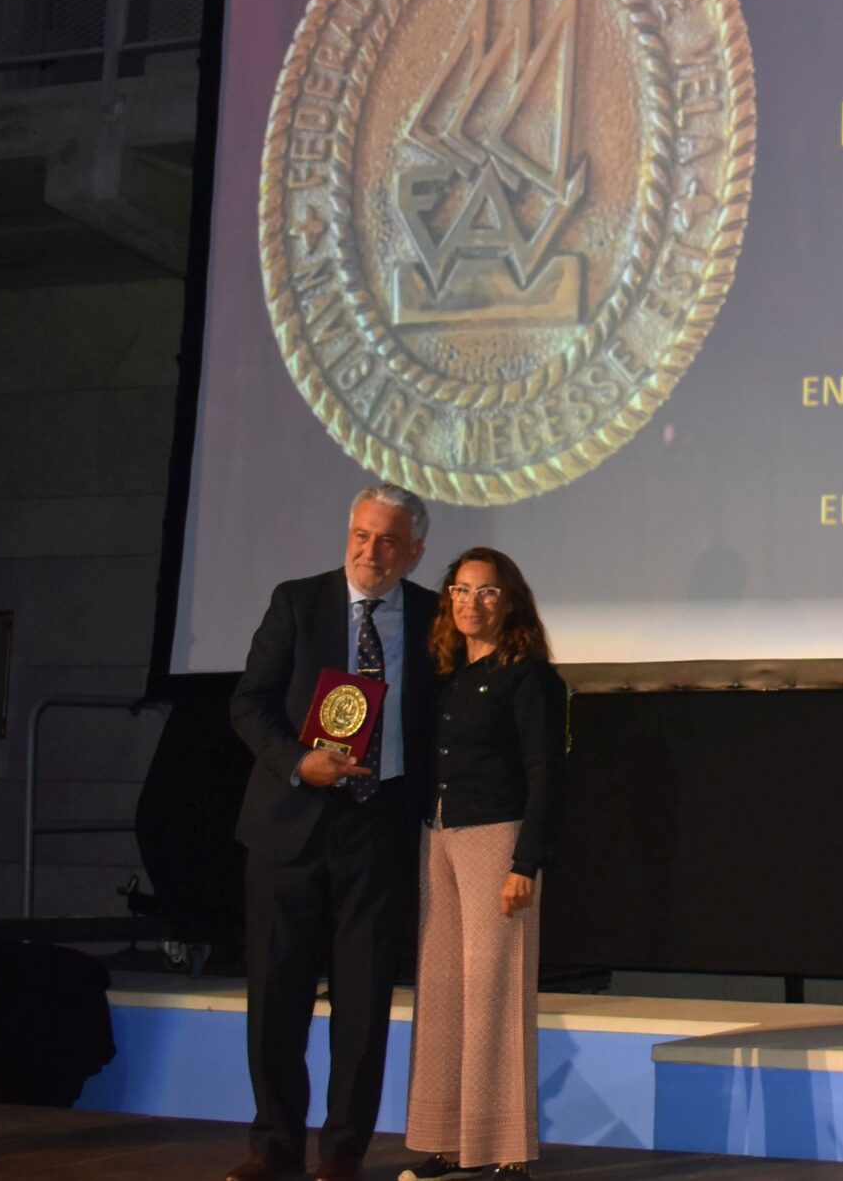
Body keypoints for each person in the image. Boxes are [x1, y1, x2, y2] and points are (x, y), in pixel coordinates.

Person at [228, 484, 441, 1181]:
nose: (369, 552)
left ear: (414, 551)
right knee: (276, 995)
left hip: (379, 824)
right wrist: (299, 761)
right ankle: (273, 1147)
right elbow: (249, 704)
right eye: (360, 536)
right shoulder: (298, 602)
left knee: (364, 1000)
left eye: (387, 541)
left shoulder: (432, 617)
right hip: (288, 823)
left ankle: (343, 1152)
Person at [398, 547, 568, 1181]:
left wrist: (527, 861)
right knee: (442, 991)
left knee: (496, 991)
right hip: (438, 835)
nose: (473, 602)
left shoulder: (529, 677)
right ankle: (446, 1142)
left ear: (510, 601)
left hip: (498, 840)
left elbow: (547, 774)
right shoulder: (444, 676)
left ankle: (506, 1150)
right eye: (462, 591)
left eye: (488, 591)